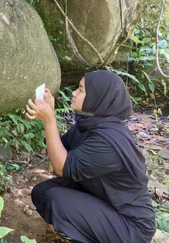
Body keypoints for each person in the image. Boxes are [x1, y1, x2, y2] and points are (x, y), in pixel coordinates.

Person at [25, 70, 156, 243]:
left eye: (81, 89)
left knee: (57, 200)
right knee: (42, 192)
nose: (74, 93)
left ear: (97, 97)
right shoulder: (90, 124)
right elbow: (59, 149)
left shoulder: (108, 140)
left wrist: (49, 121)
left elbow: (61, 167)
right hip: (105, 200)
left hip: (131, 227)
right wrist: (51, 113)